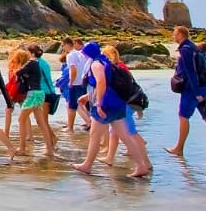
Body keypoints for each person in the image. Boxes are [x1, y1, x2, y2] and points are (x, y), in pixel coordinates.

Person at [73, 41, 152, 178]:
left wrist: (98, 104)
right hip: (117, 103)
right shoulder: (104, 61)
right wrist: (87, 96)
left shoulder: (95, 64)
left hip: (106, 105)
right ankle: (141, 166)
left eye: (84, 53)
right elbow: (105, 84)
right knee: (126, 136)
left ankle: (87, 165)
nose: (83, 56)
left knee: (94, 136)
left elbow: (101, 82)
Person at [165, 24, 206, 158]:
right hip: (199, 88)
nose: (173, 36)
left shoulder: (186, 49)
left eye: (174, 34)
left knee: (183, 116)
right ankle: (178, 148)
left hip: (192, 90)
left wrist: (197, 93)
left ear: (180, 35)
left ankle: (179, 148)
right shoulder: (192, 47)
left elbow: (192, 72)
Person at [101, 46, 144, 166]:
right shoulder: (122, 67)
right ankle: (109, 157)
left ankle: (145, 163)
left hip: (123, 106)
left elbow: (128, 88)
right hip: (126, 104)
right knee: (114, 132)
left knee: (130, 132)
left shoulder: (114, 69)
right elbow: (135, 86)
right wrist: (139, 107)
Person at [13, 48, 56, 159]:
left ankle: (22, 148)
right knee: (41, 122)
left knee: (21, 119)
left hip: (33, 94)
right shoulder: (35, 64)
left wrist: (20, 68)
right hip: (39, 93)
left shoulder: (31, 63)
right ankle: (49, 149)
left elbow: (17, 73)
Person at [63, 36, 92, 132]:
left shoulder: (70, 55)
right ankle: (90, 122)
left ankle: (70, 128)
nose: (63, 48)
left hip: (76, 83)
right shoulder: (80, 54)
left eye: (63, 45)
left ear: (67, 45)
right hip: (83, 82)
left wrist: (71, 82)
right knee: (84, 104)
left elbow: (73, 70)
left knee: (72, 106)